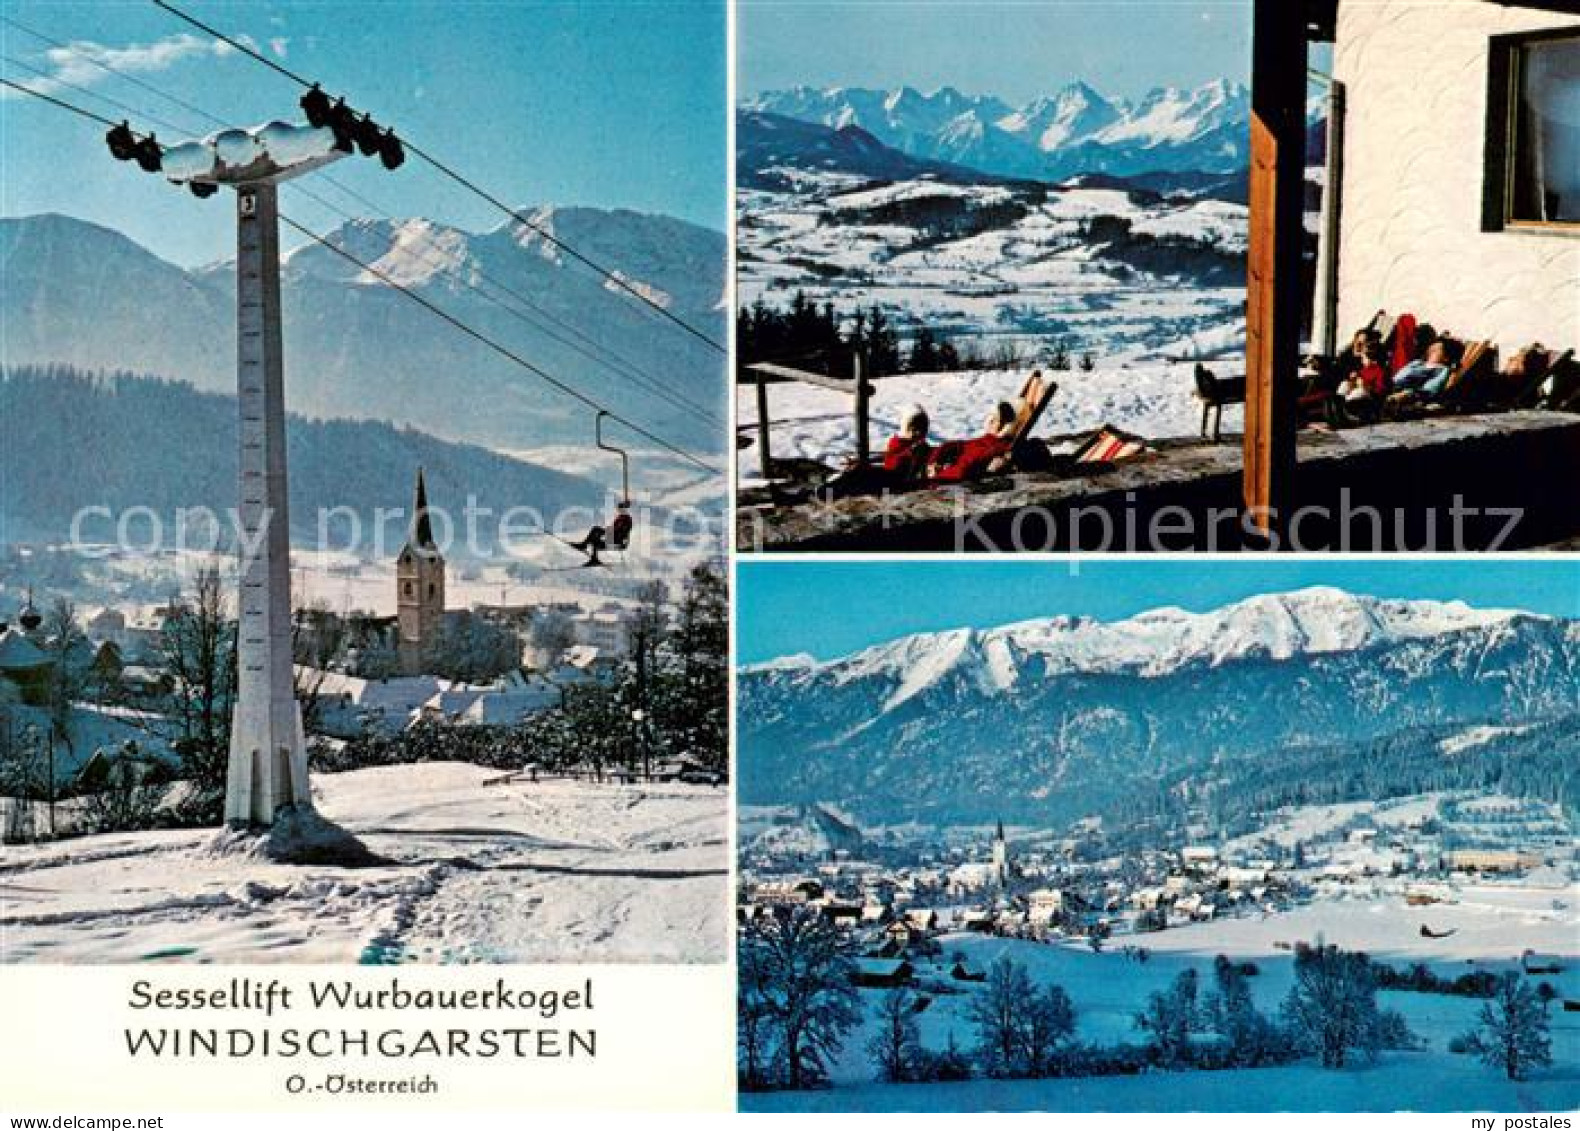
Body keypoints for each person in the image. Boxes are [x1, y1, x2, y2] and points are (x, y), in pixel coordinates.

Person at [926, 401, 1018, 482]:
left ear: (1004, 425)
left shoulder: (995, 447)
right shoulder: (986, 439)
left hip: (947, 481)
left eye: (996, 419)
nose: (990, 421)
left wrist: (938, 476)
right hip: (942, 470)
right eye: (991, 417)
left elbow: (963, 470)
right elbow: (959, 445)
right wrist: (934, 461)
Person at [882, 406, 933, 481]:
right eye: (914, 430)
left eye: (923, 430)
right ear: (906, 429)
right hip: (894, 482)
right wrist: (909, 453)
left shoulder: (922, 445)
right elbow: (890, 465)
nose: (918, 433)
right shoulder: (896, 442)